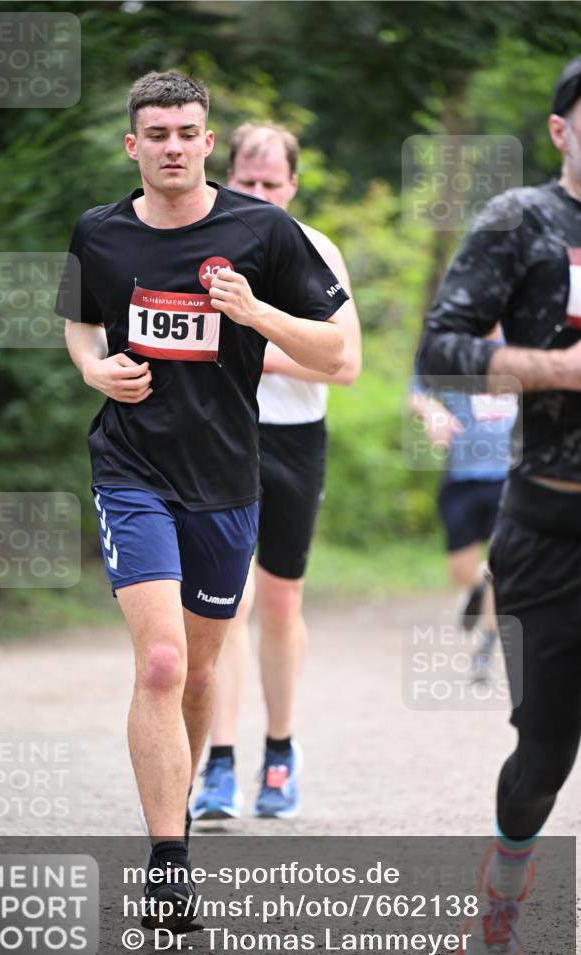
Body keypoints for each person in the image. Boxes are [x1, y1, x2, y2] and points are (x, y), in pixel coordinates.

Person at [55, 71, 347, 929]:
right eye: (158, 133)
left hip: (225, 481)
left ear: (207, 142)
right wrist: (90, 366)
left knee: (202, 673)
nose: (173, 146)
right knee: (160, 662)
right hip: (131, 468)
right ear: (132, 144)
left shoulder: (262, 230)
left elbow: (334, 354)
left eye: (188, 132)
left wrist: (256, 312)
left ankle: (181, 808)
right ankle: (167, 862)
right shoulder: (100, 232)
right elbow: (78, 318)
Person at [417, 54, 581, 955]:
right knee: (544, 757)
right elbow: (439, 351)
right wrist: (559, 370)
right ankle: (504, 890)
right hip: (552, 535)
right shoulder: (521, 221)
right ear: (563, 129)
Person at [192, 123, 362, 820]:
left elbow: (345, 364)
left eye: (271, 183)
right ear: (225, 179)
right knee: (224, 602)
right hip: (220, 435)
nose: (259, 194)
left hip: (293, 438)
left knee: (281, 602)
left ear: (291, 185)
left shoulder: (315, 250)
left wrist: (247, 337)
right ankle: (220, 766)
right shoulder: (198, 247)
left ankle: (281, 753)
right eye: (246, 182)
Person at [409, 327, 517, 678]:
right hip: (462, 476)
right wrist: (430, 410)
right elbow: (416, 392)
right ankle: (477, 586)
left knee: (502, 562)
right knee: (461, 569)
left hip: (512, 478)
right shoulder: (449, 345)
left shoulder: (526, 342)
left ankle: (486, 645)